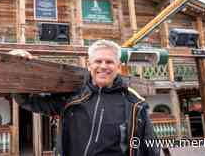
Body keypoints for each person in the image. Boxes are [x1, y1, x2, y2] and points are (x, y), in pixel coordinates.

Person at [11, 40, 159, 156]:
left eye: (109, 62)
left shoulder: (135, 104)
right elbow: (28, 101)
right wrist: (16, 67)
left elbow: (150, 147)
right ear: (89, 65)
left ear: (118, 67)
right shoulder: (71, 97)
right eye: (98, 61)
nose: (103, 66)